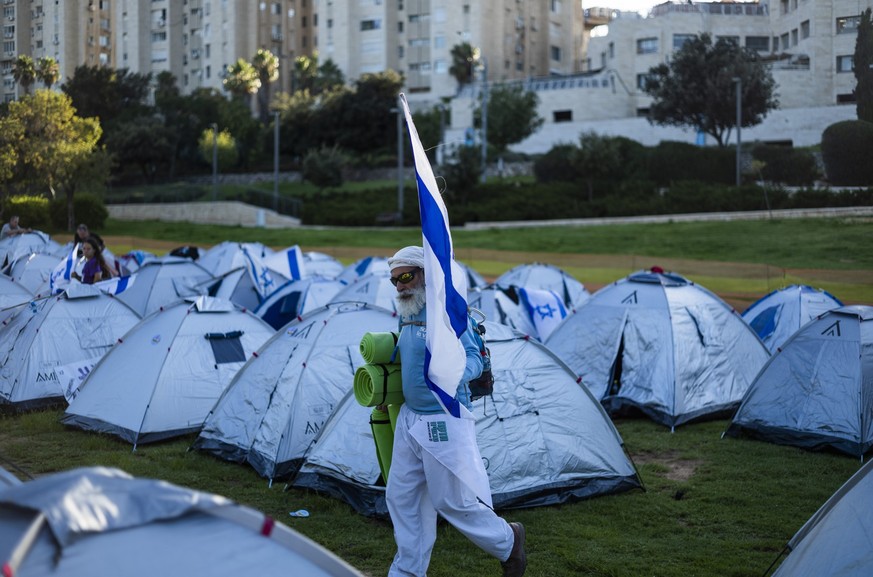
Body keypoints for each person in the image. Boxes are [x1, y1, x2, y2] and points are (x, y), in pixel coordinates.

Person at [384, 245, 527, 577]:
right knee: (402, 498)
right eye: (394, 281)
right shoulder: (409, 311)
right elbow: (407, 356)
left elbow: (475, 360)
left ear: (425, 274)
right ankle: (406, 572)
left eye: (405, 276)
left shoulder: (449, 311)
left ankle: (509, 542)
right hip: (410, 418)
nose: (400, 286)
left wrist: (448, 374)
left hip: (443, 418)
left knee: (452, 502)